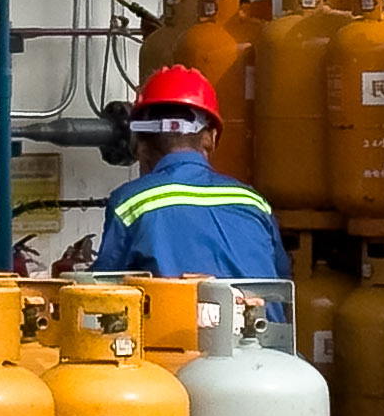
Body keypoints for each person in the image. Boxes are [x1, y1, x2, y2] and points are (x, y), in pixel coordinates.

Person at [92, 63, 284, 281]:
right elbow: (280, 283)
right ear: (210, 138)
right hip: (260, 306)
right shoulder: (255, 203)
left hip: (174, 306)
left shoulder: (130, 204)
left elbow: (103, 286)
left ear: (139, 143)